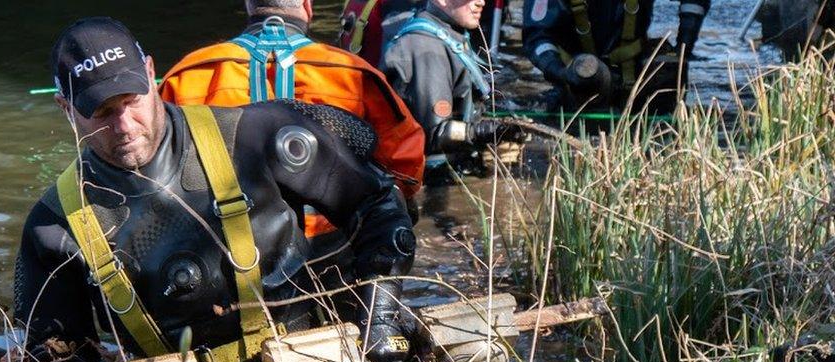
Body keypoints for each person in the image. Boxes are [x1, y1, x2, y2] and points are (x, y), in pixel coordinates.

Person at [14, 16, 416, 362]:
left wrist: (380, 314)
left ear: (153, 74)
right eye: (100, 112)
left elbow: (379, 210)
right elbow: (54, 353)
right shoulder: (55, 223)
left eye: (132, 99)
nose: (124, 123)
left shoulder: (255, 136)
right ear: (66, 110)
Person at [159, 0, 425, 239]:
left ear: (250, 6)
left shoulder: (187, 75)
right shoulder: (353, 74)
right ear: (307, 6)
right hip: (334, 239)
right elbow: (406, 165)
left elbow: (161, 174)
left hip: (232, 244)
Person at [381, 0, 520, 187]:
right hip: (428, 179)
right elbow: (435, 134)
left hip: (450, 166)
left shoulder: (448, 32)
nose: (480, 2)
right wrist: (484, 132)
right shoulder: (428, 50)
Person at [522, 0, 709, 112]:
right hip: (576, 80)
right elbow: (537, 35)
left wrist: (683, 50)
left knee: (667, 73)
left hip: (636, 75)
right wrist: (560, 72)